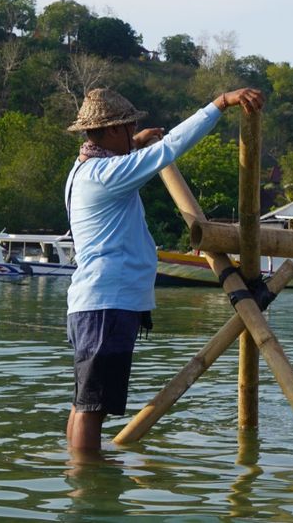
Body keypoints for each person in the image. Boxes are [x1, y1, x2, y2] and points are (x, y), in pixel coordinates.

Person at [64, 86, 263, 450]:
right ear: (111, 131)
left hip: (95, 300)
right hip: (107, 301)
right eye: (128, 127)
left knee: (87, 403)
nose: (132, 132)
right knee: (92, 407)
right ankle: (87, 479)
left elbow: (136, 153)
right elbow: (169, 150)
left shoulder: (81, 170)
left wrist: (135, 142)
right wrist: (218, 104)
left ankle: (82, 471)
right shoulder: (106, 173)